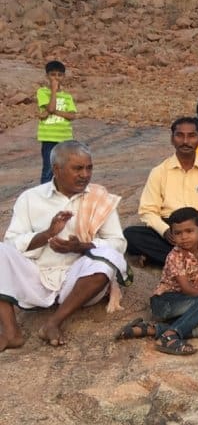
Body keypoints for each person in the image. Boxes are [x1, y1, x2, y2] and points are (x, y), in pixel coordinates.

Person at [0, 141, 129, 349]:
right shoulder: (30, 198)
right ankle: (10, 332)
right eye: (78, 168)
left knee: (109, 258)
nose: (85, 175)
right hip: (36, 274)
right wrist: (47, 235)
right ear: (56, 170)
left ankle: (53, 323)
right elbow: (11, 242)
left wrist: (82, 246)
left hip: (79, 280)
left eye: (89, 168)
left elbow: (118, 243)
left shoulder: (99, 198)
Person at [115, 207, 198, 356]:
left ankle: (149, 329)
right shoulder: (175, 256)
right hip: (164, 303)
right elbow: (185, 288)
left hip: (187, 303)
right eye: (178, 233)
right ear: (172, 235)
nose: (184, 237)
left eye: (189, 231)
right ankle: (170, 337)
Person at [125, 117, 198, 266]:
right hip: (170, 227)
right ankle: (192, 260)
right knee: (130, 235)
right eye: (180, 135)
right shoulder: (159, 172)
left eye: (191, 136)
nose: (185, 141)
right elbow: (147, 210)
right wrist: (165, 231)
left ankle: (164, 259)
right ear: (172, 139)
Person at [36, 60, 77, 184]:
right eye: (53, 74)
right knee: (48, 169)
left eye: (59, 75)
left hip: (64, 138)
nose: (56, 78)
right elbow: (51, 108)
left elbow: (72, 115)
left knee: (65, 168)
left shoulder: (67, 96)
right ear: (47, 76)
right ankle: (45, 196)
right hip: (49, 137)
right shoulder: (42, 92)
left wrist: (52, 112)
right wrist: (53, 91)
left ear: (64, 76)